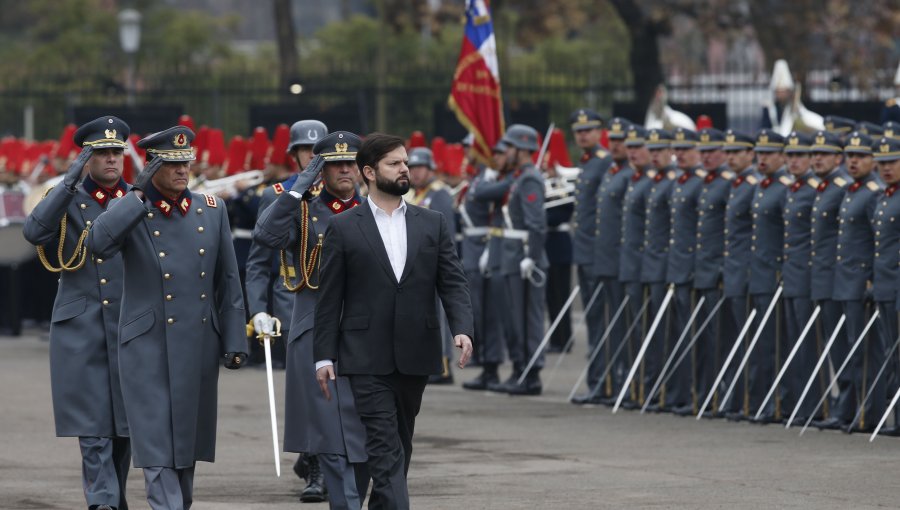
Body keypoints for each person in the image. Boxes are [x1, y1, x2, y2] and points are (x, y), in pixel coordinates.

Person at [88, 125, 247, 510]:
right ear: (151, 165)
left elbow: (228, 279)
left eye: (185, 162)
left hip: (197, 342)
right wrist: (136, 192)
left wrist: (234, 341)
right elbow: (98, 242)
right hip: (147, 345)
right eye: (171, 163)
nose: (181, 170)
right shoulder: (129, 210)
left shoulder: (212, 211)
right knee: (157, 447)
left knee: (186, 450)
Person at [313, 133, 474, 509]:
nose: (405, 169)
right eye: (394, 164)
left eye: (405, 162)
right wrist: (323, 356)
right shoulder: (343, 226)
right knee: (385, 448)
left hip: (416, 352)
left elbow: (452, 281)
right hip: (365, 355)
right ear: (369, 172)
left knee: (398, 448)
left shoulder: (431, 222)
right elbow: (329, 297)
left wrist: (462, 328)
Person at [254, 131, 370, 509]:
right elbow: (266, 236)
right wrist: (299, 188)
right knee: (328, 430)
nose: (344, 170)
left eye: (350, 162)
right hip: (316, 326)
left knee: (367, 434)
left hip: (365, 330)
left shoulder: (375, 209)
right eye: (334, 164)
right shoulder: (303, 209)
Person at [23, 116, 132, 510]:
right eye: (101, 153)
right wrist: (67, 182)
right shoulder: (66, 197)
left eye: (116, 152)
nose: (110, 160)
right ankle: (101, 501)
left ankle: (113, 497)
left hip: (128, 323)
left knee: (125, 426)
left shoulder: (136, 198)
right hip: (81, 324)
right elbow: (35, 233)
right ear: (85, 158)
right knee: (92, 425)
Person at [246, 119, 328, 498]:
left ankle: (323, 453)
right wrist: (257, 308)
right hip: (292, 297)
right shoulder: (277, 194)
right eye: (305, 150)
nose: (312, 156)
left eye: (318, 150)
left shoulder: (342, 192)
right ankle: (317, 466)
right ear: (294, 155)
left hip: (336, 300)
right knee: (309, 386)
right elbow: (259, 261)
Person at [818, 132, 882, 432]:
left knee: (865, 354)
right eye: (851, 156)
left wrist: (871, 279)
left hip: (860, 283)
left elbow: (878, 242)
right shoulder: (852, 190)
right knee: (845, 352)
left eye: (861, 157)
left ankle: (868, 413)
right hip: (843, 281)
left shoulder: (872, 192)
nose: (854, 161)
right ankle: (847, 409)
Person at [486, 124, 549, 396]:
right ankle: (520, 369)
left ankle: (531, 375)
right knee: (514, 319)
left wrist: (532, 258)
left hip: (524, 257)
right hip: (512, 256)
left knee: (528, 320)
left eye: (509, 147)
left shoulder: (530, 179)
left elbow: (536, 224)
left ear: (521, 149)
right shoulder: (519, 177)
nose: (506, 151)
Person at [567, 111, 616, 402]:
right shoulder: (587, 164)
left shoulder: (604, 162)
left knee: (601, 322)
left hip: (597, 255)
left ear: (601, 132)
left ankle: (602, 383)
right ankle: (598, 380)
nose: (583, 135)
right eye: (579, 130)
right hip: (585, 253)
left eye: (589, 130)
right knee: (594, 320)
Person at [746, 129, 790, 424]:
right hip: (759, 274)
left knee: (779, 345)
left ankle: (782, 403)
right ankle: (767, 399)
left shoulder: (784, 188)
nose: (762, 159)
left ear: (782, 157)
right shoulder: (761, 186)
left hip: (777, 276)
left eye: (769, 154)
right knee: (762, 344)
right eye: (759, 153)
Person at [807, 130, 850, 425]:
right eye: (815, 153)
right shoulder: (823, 188)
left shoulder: (841, 187)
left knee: (846, 349)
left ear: (838, 157)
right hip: (822, 279)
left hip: (840, 280)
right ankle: (838, 405)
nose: (817, 158)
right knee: (834, 348)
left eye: (824, 153)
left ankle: (847, 408)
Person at [406, 146, 458, 385]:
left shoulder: (439, 194)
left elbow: (446, 233)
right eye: (412, 168)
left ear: (430, 169)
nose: (415, 173)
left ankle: (444, 366)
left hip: (434, 263)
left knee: (439, 317)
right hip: (416, 266)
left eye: (420, 168)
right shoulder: (414, 193)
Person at [693, 128, 734, 417]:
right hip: (703, 271)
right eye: (703, 152)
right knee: (706, 341)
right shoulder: (705, 183)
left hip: (720, 272)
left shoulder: (726, 183)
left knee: (723, 340)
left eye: (713, 152)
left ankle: (725, 396)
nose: (707, 157)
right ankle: (709, 395)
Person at [779, 132, 819, 425]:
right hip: (791, 276)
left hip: (808, 277)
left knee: (810, 346)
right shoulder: (792, 190)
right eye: (790, 156)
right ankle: (799, 403)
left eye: (800, 156)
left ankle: (815, 405)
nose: (794, 161)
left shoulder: (814, 190)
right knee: (794, 344)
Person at [721, 130, 760, 420]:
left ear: (751, 154)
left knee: (753, 344)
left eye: (738, 152)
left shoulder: (751, 185)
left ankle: (752, 401)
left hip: (747, 273)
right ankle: (739, 399)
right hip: (733, 273)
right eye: (729, 152)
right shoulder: (736, 184)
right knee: (736, 341)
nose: (731, 157)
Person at [665, 127, 703, 415]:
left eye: (686, 149)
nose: (680, 154)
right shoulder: (680, 182)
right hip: (677, 270)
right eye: (677, 149)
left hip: (694, 271)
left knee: (700, 339)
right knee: (680, 337)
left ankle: (700, 394)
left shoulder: (700, 183)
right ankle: (682, 393)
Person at [640, 129, 676, 411]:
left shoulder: (672, 182)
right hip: (652, 269)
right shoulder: (656, 181)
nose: (654, 155)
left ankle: (672, 393)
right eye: (651, 150)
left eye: (659, 150)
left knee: (669, 336)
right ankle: (655, 390)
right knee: (654, 336)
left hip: (669, 271)